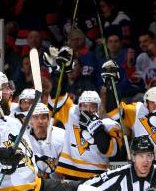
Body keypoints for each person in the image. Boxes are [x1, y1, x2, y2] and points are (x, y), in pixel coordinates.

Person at [45, 48, 123, 180]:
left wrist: (97, 128)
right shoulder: (72, 114)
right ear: (79, 106)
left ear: (98, 108)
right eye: (84, 105)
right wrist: (61, 72)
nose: (87, 109)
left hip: (96, 177)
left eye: (92, 106)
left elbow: (110, 150)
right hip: (69, 174)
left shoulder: (109, 124)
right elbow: (56, 98)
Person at [104, 59, 156, 174]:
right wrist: (110, 85)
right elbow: (113, 110)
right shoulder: (137, 111)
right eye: (153, 101)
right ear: (146, 103)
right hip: (142, 167)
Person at [26, 103, 64, 179]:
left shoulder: (62, 136)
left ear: (49, 120)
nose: (40, 121)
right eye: (36, 117)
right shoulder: (24, 138)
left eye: (43, 118)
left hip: (57, 182)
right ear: (30, 121)